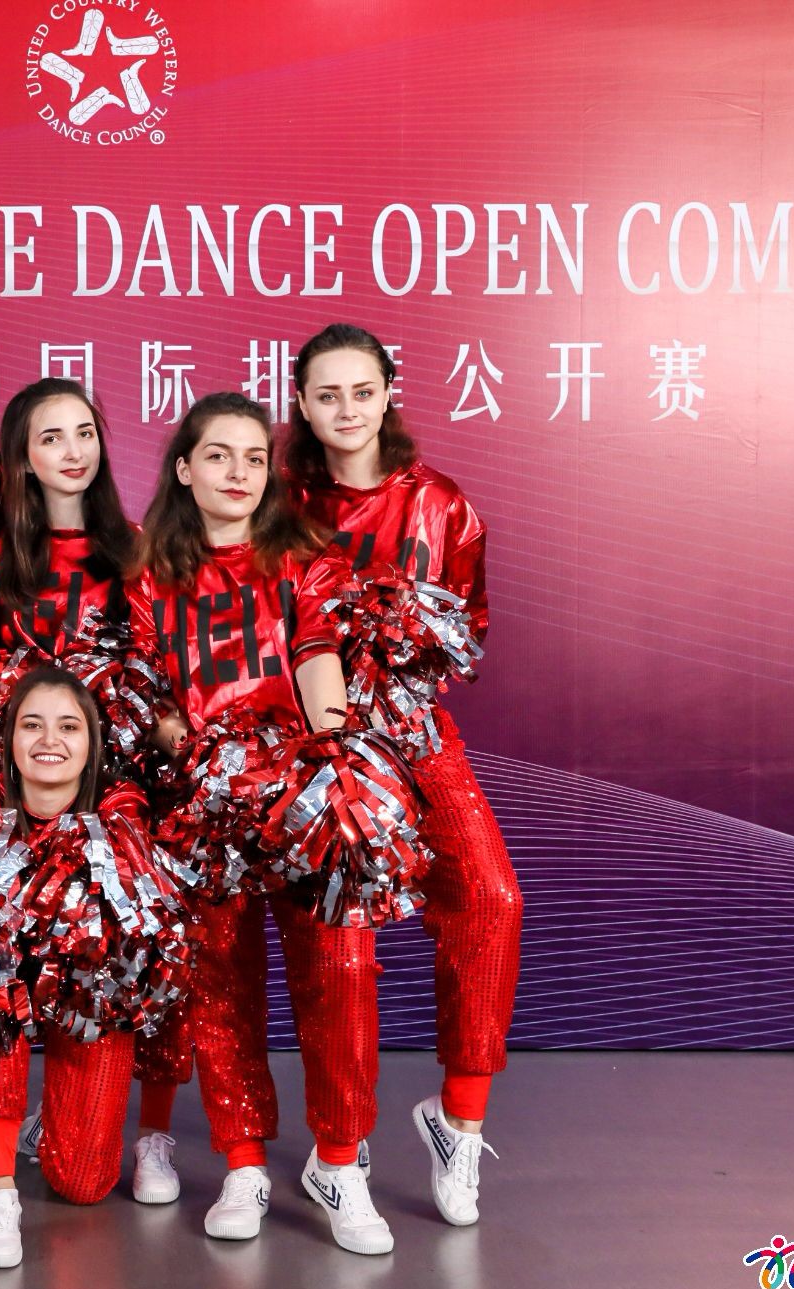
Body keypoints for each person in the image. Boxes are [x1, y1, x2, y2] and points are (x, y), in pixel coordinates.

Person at [130, 392, 393, 1255]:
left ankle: (340, 1159)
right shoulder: (146, 575)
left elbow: (317, 653)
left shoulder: (302, 558)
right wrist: (201, 760)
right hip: (204, 802)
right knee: (219, 979)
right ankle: (242, 1160)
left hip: (303, 792)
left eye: (253, 458)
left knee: (341, 968)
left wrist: (332, 759)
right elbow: (145, 690)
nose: (238, 472)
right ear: (184, 468)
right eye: (218, 455)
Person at [283, 322, 523, 1228]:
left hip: (417, 735)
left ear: (389, 393)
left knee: (491, 899)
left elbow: (469, 627)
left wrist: (400, 657)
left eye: (362, 390)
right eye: (327, 394)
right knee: (340, 949)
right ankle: (337, 1156)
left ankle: (458, 1121)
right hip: (316, 748)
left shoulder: (442, 504)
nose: (347, 409)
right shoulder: (280, 502)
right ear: (302, 404)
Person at [0, 668, 181, 1267]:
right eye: (32, 725)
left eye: (68, 727)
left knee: (85, 1183)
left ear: (92, 743)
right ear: (9, 738)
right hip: (6, 980)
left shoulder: (122, 807)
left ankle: (44, 1127)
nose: (49, 740)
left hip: (88, 994)